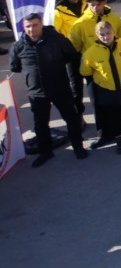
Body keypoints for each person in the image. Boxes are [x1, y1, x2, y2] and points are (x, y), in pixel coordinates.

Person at [10, 12, 88, 166]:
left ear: (41, 24)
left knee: (71, 119)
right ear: (23, 28)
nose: (32, 29)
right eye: (28, 26)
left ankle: (78, 147)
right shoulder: (18, 46)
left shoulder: (56, 39)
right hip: (36, 92)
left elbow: (71, 55)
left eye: (35, 25)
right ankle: (45, 152)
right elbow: (15, 66)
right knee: (40, 124)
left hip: (60, 88)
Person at [80, 19, 121, 153]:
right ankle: (120, 141)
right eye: (102, 34)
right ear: (97, 35)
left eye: (108, 33)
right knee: (114, 117)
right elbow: (86, 71)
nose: (106, 37)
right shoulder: (90, 53)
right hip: (107, 91)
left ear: (114, 32)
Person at [53, 0, 89, 111]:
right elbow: (55, 32)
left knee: (98, 81)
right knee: (76, 85)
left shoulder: (89, 2)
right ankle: (78, 113)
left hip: (90, 48)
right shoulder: (59, 10)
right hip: (72, 52)